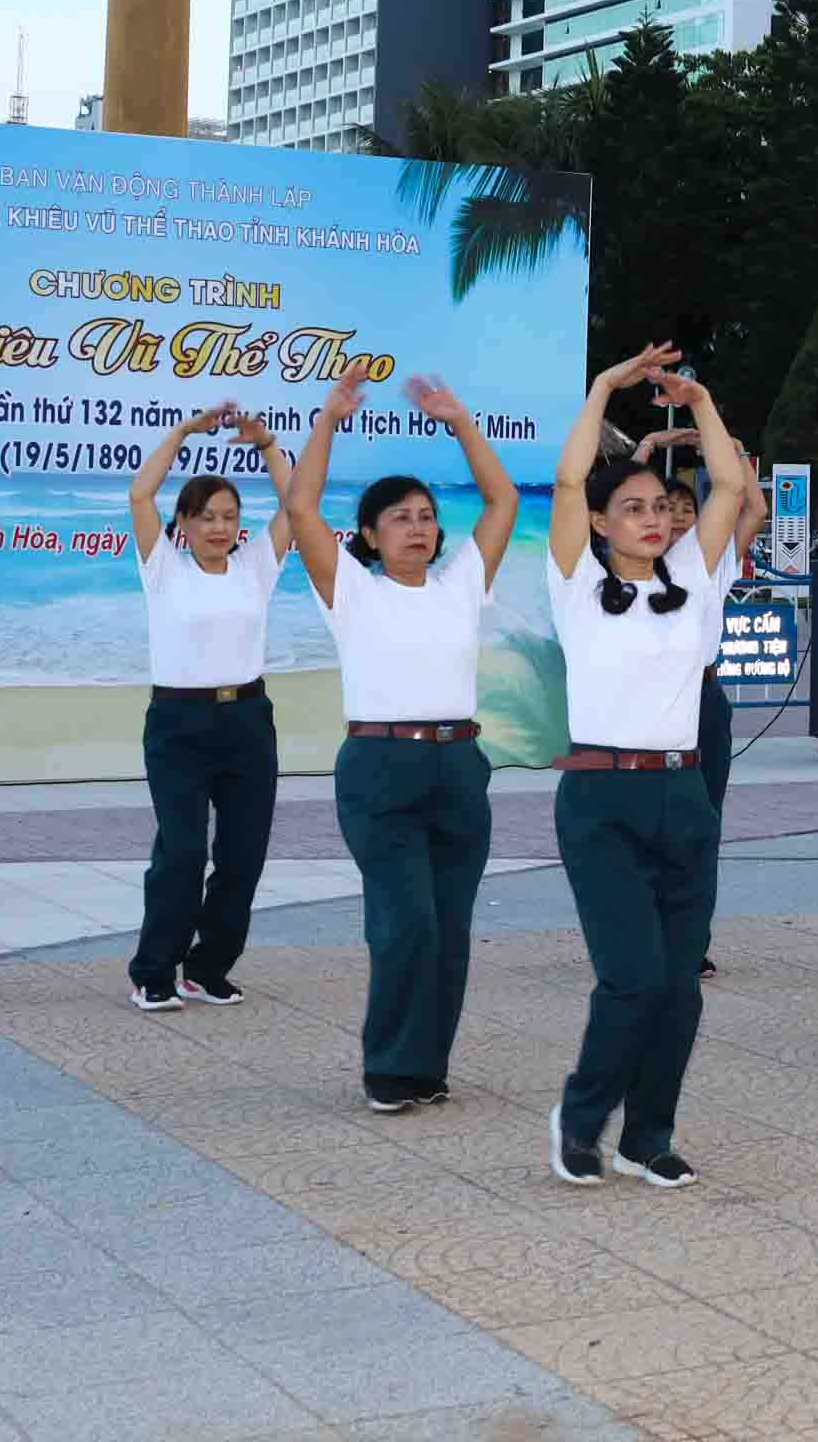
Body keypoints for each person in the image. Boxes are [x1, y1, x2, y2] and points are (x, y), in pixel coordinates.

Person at [284, 366, 521, 1114]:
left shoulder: (460, 584)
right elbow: (299, 505)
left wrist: (460, 421)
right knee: (404, 922)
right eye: (399, 518)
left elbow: (503, 498)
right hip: (381, 765)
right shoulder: (350, 589)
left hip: (459, 763)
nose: (417, 526)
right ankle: (388, 1068)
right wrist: (328, 419)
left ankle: (427, 1067)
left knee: (449, 929)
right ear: (368, 536)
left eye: (424, 515)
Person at [544, 347, 747, 1188]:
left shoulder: (692, 577)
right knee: (631, 979)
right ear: (599, 523)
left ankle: (648, 1135)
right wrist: (602, 389)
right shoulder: (575, 584)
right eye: (631, 509)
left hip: (683, 789)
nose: (653, 519)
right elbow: (564, 485)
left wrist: (701, 402)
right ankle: (582, 1117)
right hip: (599, 796)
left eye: (660, 506)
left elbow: (730, 489)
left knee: (679, 988)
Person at [125, 403, 294, 1013]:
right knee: (184, 852)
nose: (219, 527)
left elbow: (297, 504)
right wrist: (185, 431)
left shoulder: (255, 568)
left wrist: (268, 444)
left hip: (248, 723)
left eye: (229, 516)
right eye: (206, 517)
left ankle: (206, 967)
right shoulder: (162, 568)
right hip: (178, 726)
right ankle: (153, 970)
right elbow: (140, 492)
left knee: (243, 856)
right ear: (185, 524)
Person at [637, 424, 769, 978]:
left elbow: (752, 508)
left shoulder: (708, 566)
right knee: (644, 825)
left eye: (687, 509)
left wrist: (736, 449)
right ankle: (640, 933)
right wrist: (647, 451)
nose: (679, 519)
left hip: (704, 700)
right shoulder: (627, 569)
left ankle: (691, 941)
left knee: (702, 824)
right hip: (645, 702)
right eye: (668, 510)